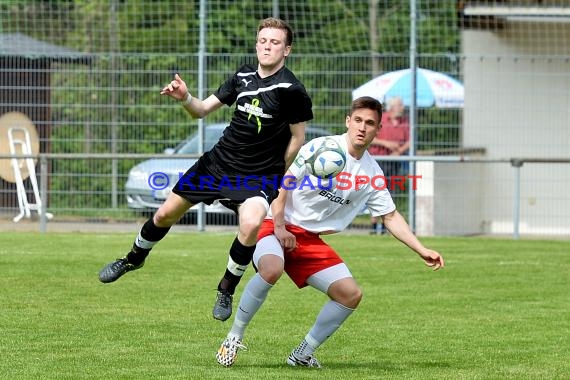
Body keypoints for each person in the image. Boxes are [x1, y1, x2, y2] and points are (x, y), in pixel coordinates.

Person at [98, 18, 313, 323]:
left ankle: (226, 287)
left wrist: (277, 171)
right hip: (217, 164)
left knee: (251, 225)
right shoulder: (242, 76)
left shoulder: (292, 90)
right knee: (163, 215)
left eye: (275, 42)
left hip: (256, 175)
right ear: (256, 44)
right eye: (263, 40)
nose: (267, 46)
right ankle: (132, 259)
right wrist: (184, 97)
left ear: (286, 50)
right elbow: (200, 110)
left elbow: (298, 138)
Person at [215, 96, 444, 368]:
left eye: (369, 123)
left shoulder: (371, 172)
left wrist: (421, 249)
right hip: (274, 221)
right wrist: (279, 225)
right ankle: (233, 338)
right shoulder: (322, 147)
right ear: (348, 121)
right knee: (271, 268)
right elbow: (282, 181)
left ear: (378, 130)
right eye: (357, 120)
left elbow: (390, 216)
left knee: (350, 294)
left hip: (309, 239)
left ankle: (302, 353)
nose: (362, 127)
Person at [367, 96, 409, 235]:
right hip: (378, 160)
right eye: (399, 105)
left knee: (390, 192)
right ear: (392, 107)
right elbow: (371, 136)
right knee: (374, 191)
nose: (402, 107)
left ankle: (387, 226)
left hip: (394, 161)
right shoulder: (382, 119)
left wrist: (400, 151)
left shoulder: (405, 122)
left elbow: (411, 140)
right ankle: (374, 226)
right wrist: (387, 144)